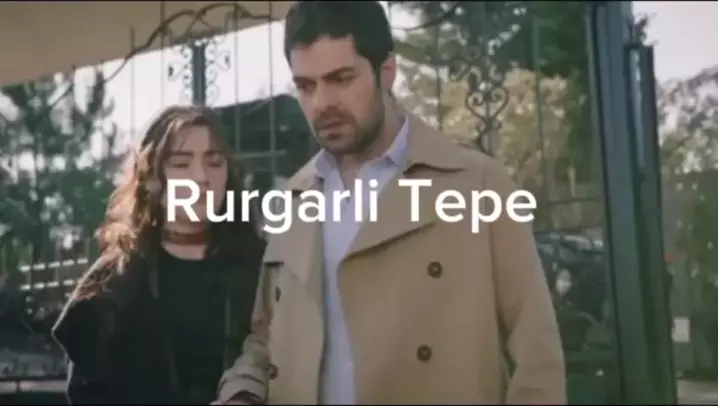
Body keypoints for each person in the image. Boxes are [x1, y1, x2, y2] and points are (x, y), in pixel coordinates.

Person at [217, 1, 566, 404]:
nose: (322, 103)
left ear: (387, 71)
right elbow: (265, 342)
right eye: (306, 85)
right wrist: (240, 395)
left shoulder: (477, 183)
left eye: (341, 78)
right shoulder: (293, 200)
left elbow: (536, 357)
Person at [52, 105, 266, 404]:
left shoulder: (260, 266)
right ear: (151, 176)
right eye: (181, 163)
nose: (201, 177)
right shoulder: (114, 283)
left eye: (214, 162)